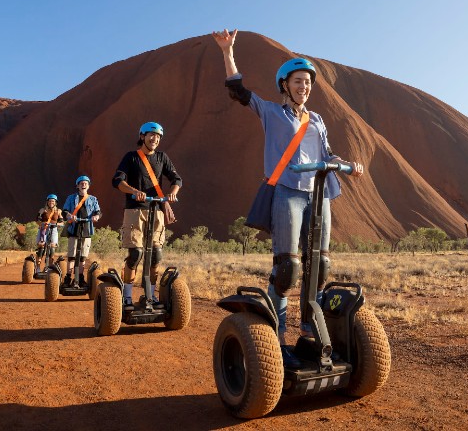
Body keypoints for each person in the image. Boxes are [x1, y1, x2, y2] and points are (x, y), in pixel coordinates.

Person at [212, 28, 364, 368]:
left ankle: (312, 332)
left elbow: (326, 152)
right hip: (287, 192)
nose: (304, 86)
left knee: (319, 267)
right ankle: (276, 338)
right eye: (297, 81)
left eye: (307, 82)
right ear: (285, 84)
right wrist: (227, 51)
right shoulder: (270, 112)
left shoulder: (318, 120)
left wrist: (349, 166)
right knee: (287, 270)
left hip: (318, 193)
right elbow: (238, 91)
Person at [111, 122, 182, 308]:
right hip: (135, 209)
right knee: (136, 253)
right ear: (142, 136)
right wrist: (134, 191)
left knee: (156, 254)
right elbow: (118, 180)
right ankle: (127, 296)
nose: (155, 139)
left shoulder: (162, 157)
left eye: (158, 136)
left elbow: (176, 179)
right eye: (151, 135)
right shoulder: (131, 157)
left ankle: (150, 295)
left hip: (156, 210)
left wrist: (173, 192)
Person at [61, 175, 101, 287]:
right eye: (81, 183)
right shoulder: (71, 198)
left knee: (83, 255)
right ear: (77, 186)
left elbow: (98, 211)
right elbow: (64, 211)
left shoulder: (93, 199)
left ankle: (80, 278)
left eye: (86, 183)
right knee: (72, 255)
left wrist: (96, 216)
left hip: (87, 228)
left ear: (88, 186)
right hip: (74, 227)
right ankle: (68, 278)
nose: (83, 184)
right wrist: (69, 215)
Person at [36, 194, 62, 270]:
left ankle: (50, 267)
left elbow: (62, 222)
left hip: (53, 229)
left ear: (55, 202)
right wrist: (42, 223)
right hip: (43, 229)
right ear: (47, 202)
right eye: (50, 201)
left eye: (53, 201)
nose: (51, 202)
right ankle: (38, 267)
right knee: (41, 245)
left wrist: (57, 224)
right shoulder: (42, 210)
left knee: (52, 246)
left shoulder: (58, 211)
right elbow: (37, 220)